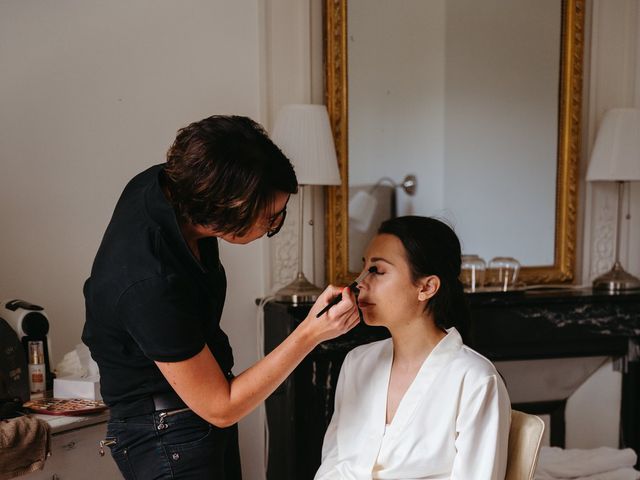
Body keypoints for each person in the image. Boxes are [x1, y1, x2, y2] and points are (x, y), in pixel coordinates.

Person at [82, 115, 360, 479]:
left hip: (190, 420)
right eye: (271, 217)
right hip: (164, 437)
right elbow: (222, 406)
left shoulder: (170, 186)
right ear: (228, 208)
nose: (274, 225)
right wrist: (310, 333)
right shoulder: (149, 282)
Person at [315, 216, 511, 480]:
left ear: (427, 287)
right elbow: (333, 463)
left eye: (377, 271)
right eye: (363, 268)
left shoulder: (475, 380)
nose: (359, 283)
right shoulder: (357, 363)